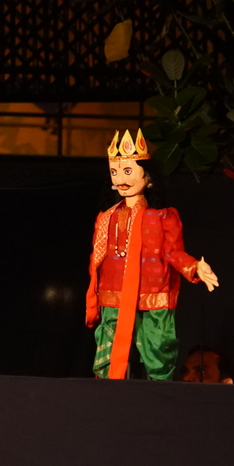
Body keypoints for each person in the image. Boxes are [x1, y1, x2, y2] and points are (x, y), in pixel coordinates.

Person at [85, 130, 218, 380]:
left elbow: (173, 252)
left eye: (128, 171)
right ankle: (105, 395)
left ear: (148, 177)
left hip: (152, 295)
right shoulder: (105, 218)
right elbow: (97, 259)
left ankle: (157, 397)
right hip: (113, 294)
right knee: (108, 354)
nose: (121, 179)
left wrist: (195, 267)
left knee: (158, 352)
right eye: (115, 172)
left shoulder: (162, 217)